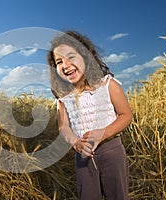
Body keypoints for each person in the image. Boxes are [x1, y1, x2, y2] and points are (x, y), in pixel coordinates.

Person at [47, 30, 133, 200]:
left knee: (117, 195)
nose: (65, 65)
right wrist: (75, 143)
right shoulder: (64, 97)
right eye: (59, 62)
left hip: (111, 151)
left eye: (71, 57)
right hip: (83, 156)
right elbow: (63, 126)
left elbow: (126, 115)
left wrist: (104, 133)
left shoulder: (107, 84)